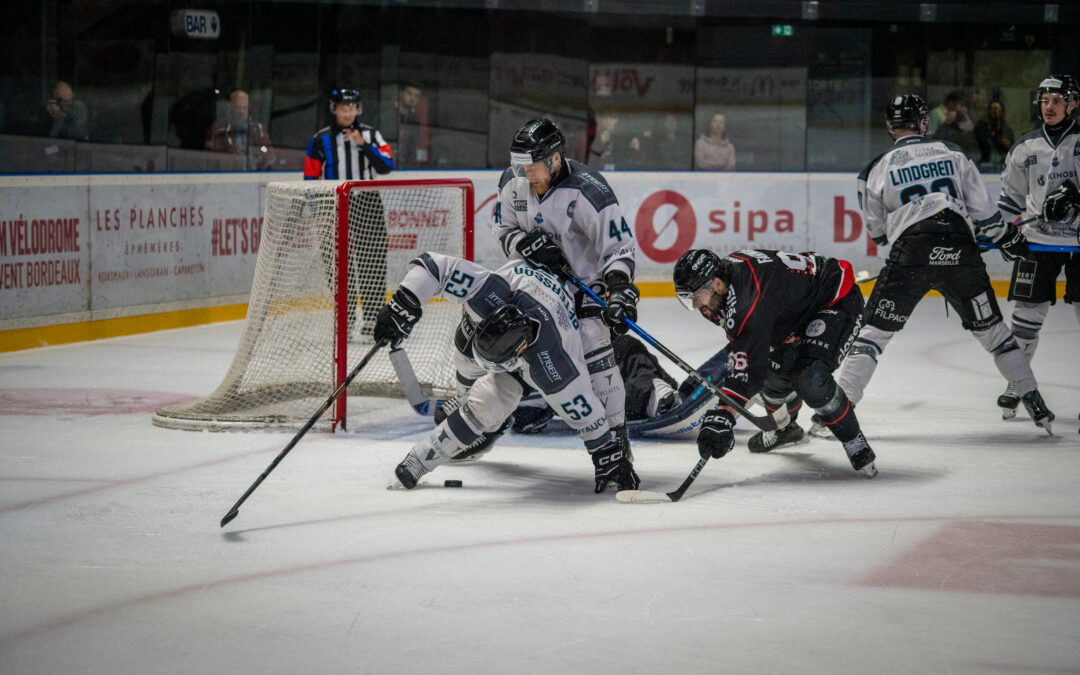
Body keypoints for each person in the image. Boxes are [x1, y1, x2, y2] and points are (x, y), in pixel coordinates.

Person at [830, 93, 1053, 435]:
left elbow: (878, 233)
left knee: (873, 335)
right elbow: (987, 216)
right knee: (994, 332)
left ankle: (838, 412)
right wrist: (1007, 238)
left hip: (913, 253)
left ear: (892, 128)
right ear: (923, 123)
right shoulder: (953, 152)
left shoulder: (874, 168)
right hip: (961, 250)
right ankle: (1034, 401)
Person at [374, 253, 640, 494]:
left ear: (519, 353)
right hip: (526, 289)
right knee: (465, 345)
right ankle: (466, 399)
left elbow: (587, 416)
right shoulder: (491, 293)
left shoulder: (555, 366)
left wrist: (607, 454)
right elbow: (435, 267)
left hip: (552, 332)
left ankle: (419, 460)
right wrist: (404, 304)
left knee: (491, 403)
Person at [493, 119, 638, 456]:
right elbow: (503, 230)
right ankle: (480, 410)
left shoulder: (590, 189)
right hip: (537, 288)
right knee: (499, 336)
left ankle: (616, 440)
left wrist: (617, 290)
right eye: (520, 165)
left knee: (593, 345)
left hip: (584, 287)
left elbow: (619, 248)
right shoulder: (512, 181)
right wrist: (525, 244)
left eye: (533, 166)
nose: (526, 174)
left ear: (555, 159)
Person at [673, 247, 879, 478]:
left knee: (809, 378)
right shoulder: (728, 285)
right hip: (793, 313)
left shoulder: (745, 301)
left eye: (695, 297)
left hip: (834, 302)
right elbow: (750, 355)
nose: (696, 306)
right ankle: (786, 429)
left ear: (718, 284)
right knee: (771, 370)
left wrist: (723, 415)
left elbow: (747, 372)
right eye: (687, 301)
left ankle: (853, 439)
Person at [995, 74, 1080, 424]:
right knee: (1025, 321)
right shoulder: (1025, 147)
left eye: (1058, 100)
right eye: (1045, 100)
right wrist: (1003, 233)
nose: (1050, 106)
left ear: (1072, 103)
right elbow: (1009, 200)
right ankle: (1019, 384)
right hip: (1038, 243)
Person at [304, 88, 395, 342]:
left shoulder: (371, 134)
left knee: (373, 262)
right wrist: (317, 212)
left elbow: (387, 165)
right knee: (337, 264)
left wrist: (363, 145)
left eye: (352, 108)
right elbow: (310, 178)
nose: (348, 113)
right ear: (334, 109)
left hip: (367, 202)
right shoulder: (320, 139)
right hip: (333, 203)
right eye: (343, 109)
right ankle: (344, 320)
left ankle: (371, 321)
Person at [206, 89, 275, 170]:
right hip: (225, 174)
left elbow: (269, 154)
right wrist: (230, 152)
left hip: (252, 175)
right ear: (231, 106)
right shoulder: (219, 127)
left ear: (249, 107)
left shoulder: (257, 128)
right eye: (238, 108)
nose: (241, 111)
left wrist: (260, 151)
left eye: (244, 108)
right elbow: (209, 155)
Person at [932, 92, 980, 161]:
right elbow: (938, 144)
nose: (947, 113)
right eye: (949, 110)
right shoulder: (944, 128)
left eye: (951, 110)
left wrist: (969, 130)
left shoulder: (975, 126)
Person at [394, 82, 431, 168]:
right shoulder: (387, 113)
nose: (412, 98)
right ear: (402, 93)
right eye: (409, 93)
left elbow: (412, 149)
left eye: (416, 96)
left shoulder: (414, 120)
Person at [974, 97, 1015, 169]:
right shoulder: (981, 128)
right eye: (993, 109)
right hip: (985, 165)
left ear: (1002, 112)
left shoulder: (1007, 131)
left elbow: (1011, 150)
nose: (995, 112)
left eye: (998, 109)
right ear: (988, 111)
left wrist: (1007, 145)